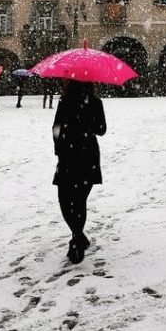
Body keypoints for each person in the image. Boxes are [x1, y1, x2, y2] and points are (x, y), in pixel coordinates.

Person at [52, 80, 106, 264]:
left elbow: (56, 128)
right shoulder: (95, 102)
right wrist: (89, 121)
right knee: (79, 199)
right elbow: (102, 129)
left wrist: (58, 148)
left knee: (65, 199)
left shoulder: (65, 101)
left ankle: (77, 237)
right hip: (87, 155)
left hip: (68, 154)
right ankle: (78, 236)